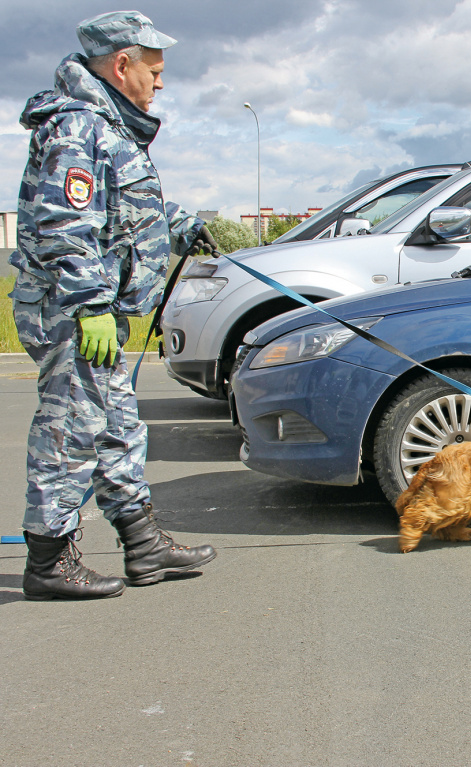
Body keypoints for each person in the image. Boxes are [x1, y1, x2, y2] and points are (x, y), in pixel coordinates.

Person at [11, 11, 220, 600]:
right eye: (153, 70)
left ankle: (143, 543)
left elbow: (124, 207)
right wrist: (89, 305)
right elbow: (63, 225)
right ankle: (49, 561)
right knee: (71, 431)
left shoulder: (111, 126)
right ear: (120, 64)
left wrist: (177, 225)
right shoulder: (75, 127)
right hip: (71, 310)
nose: (161, 82)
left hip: (93, 309)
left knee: (119, 430)